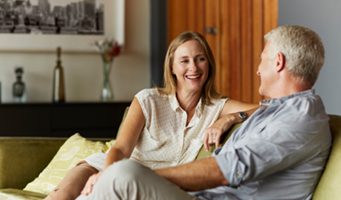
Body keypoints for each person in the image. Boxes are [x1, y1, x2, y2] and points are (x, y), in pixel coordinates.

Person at [75, 25, 332, 200]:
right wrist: (232, 117)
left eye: (262, 59)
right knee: (113, 176)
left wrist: (147, 176)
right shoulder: (279, 110)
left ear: (278, 62)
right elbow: (255, 110)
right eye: (184, 60)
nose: (257, 69)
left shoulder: (299, 119)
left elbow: (225, 170)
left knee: (124, 175)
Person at [45, 31, 257, 200]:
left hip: (151, 185)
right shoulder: (148, 100)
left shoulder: (218, 107)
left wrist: (230, 118)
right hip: (111, 167)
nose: (193, 67)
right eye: (184, 61)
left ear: (208, 65)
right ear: (172, 68)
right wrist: (107, 176)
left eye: (200, 59)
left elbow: (269, 107)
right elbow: (120, 148)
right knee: (60, 197)